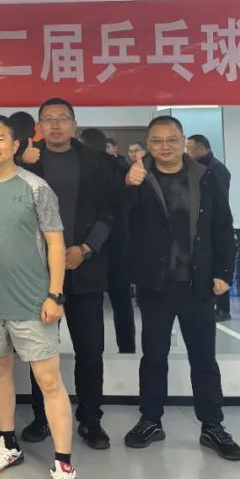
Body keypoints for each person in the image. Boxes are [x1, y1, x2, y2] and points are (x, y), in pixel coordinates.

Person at [0, 115, 78, 479]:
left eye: (0, 139)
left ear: (15, 146)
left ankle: (63, 464)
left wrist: (55, 294)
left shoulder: (36, 187)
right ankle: (8, 444)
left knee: (49, 381)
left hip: (33, 301)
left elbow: (56, 242)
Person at [122, 116, 240, 461]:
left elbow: (223, 225)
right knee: (153, 356)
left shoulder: (207, 176)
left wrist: (224, 271)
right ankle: (150, 420)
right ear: (148, 144)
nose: (165, 147)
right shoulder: (136, 177)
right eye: (157, 141)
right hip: (155, 283)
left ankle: (212, 425)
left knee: (203, 358)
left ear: (183, 140)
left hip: (197, 283)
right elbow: (120, 220)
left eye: (172, 139)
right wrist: (127, 186)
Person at [18, 102, 115, 451]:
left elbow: (109, 212)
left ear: (74, 125)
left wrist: (86, 248)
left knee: (90, 349)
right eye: (48, 119)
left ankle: (90, 419)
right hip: (39, 273)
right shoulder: (26, 161)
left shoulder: (96, 162)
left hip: (84, 268)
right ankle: (41, 417)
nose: (55, 125)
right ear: (39, 126)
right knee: (41, 349)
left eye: (62, 119)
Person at [82, 128, 135, 354]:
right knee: (121, 301)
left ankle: (93, 351)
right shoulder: (123, 167)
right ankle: (127, 349)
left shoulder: (85, 167)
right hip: (120, 241)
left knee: (90, 304)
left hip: (90, 243)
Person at [187, 135, 234, 320]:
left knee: (219, 265)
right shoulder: (196, 168)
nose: (187, 152)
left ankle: (223, 308)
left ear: (202, 149)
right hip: (201, 223)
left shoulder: (216, 169)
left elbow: (219, 202)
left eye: (190, 149)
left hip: (215, 222)